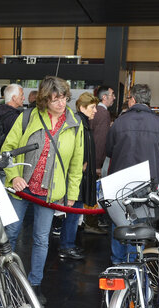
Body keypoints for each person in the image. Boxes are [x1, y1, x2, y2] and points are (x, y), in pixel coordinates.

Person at [1, 76, 84, 303]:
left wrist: (72, 195)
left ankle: (35, 284)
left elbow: (76, 165)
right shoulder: (27, 118)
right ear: (45, 99)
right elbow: (7, 149)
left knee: (41, 239)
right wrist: (14, 175)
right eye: (55, 99)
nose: (61, 103)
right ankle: (4, 279)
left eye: (64, 98)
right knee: (10, 234)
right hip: (22, 188)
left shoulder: (75, 124)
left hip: (49, 192)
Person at [106, 84, 159, 264]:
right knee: (141, 224)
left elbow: (109, 149)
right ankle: (135, 265)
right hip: (146, 183)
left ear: (133, 100)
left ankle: (117, 264)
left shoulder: (120, 121)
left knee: (119, 222)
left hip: (119, 181)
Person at [58, 92, 101, 260]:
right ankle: (67, 246)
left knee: (75, 212)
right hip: (77, 177)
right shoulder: (78, 123)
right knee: (73, 212)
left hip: (80, 176)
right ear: (82, 107)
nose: (95, 110)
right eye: (92, 107)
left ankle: (68, 244)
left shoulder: (81, 122)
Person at [92, 85, 115, 176]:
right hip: (98, 163)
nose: (114, 97)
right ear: (104, 97)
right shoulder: (103, 113)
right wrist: (97, 165)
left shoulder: (97, 110)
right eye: (112, 95)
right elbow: (100, 140)